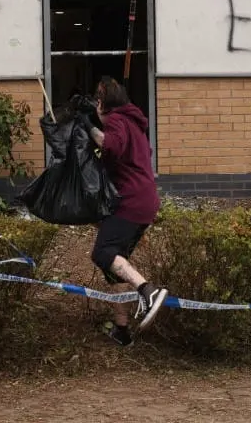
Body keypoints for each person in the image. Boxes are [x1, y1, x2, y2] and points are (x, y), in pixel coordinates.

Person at [78, 76, 169, 346]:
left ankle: (148, 290)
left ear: (104, 103)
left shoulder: (117, 120)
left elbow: (111, 145)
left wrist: (88, 127)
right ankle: (122, 329)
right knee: (114, 264)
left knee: (103, 253)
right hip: (145, 200)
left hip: (132, 201)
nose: (96, 104)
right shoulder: (132, 122)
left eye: (98, 99)